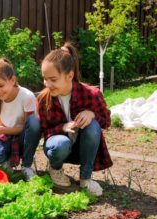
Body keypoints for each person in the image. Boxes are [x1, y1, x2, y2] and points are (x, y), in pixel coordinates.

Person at [37, 43, 112, 196]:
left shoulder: (91, 94)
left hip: (82, 148)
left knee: (93, 126)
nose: (47, 84)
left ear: (69, 76)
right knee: (60, 143)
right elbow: (45, 131)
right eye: (45, 79)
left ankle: (85, 179)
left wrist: (92, 114)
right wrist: (63, 127)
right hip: (59, 147)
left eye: (53, 79)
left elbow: (106, 121)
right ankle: (55, 169)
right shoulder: (43, 99)